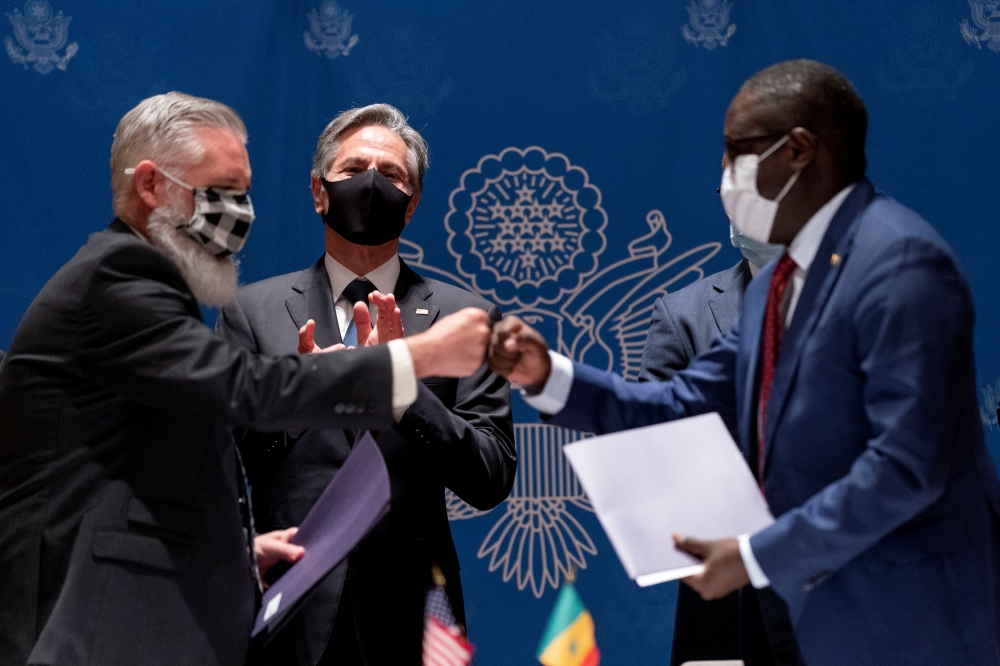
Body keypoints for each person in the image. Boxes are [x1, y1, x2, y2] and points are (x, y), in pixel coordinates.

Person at [488, 60, 1000, 666]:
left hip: (912, 621)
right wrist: (548, 376)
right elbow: (681, 404)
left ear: (800, 152)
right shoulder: (775, 286)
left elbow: (905, 468)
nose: (726, 176)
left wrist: (756, 555)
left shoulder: (901, 263)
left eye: (738, 152)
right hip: (813, 619)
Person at [0, 92, 492, 666]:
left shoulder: (148, 286)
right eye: (221, 193)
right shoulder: (122, 275)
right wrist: (410, 363)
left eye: (244, 193)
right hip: (89, 615)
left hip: (404, 620)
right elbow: (244, 394)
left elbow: (184, 460)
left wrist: (233, 553)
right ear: (152, 186)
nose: (239, 214)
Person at [216, 103, 516, 666]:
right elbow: (222, 468)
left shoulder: (465, 317)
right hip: (288, 607)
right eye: (353, 170)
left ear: (412, 205)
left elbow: (491, 476)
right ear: (318, 191)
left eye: (392, 175)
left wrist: (404, 390)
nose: (372, 185)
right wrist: (304, 398)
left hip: (413, 614)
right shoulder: (251, 311)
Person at [640, 221, 786, 665]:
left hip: (842, 585)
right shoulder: (684, 313)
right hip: (728, 598)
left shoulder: (861, 298)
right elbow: (651, 447)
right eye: (729, 190)